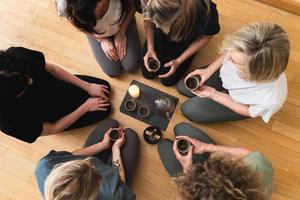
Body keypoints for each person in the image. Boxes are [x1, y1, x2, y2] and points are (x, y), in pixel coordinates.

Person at [177, 22, 290, 123]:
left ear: (253, 73)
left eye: (234, 61)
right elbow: (230, 52)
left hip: (239, 102)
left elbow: (248, 111)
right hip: (227, 80)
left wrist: (215, 95)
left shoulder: (270, 99)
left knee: (190, 109)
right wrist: (209, 70)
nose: (228, 58)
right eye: (230, 52)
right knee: (183, 86)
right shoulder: (247, 47)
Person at [0, 46, 111, 143]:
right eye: (25, 85)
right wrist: (85, 107)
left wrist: (88, 86)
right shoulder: (10, 122)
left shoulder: (15, 57)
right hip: (53, 113)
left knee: (105, 87)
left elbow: (53, 70)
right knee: (105, 109)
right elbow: (54, 127)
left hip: (55, 86)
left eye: (27, 76)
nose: (31, 81)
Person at [158, 122, 273, 200]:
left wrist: (187, 168)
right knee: (181, 128)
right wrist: (208, 147)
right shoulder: (259, 168)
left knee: (163, 145)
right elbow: (249, 155)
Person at [35, 119, 139, 200]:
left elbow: (71, 155)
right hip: (114, 187)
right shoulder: (111, 197)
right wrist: (116, 150)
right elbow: (121, 184)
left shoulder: (44, 166)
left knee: (111, 123)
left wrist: (102, 145)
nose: (92, 162)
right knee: (130, 135)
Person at [137, 0, 220, 86]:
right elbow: (148, 21)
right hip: (169, 29)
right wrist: (150, 48)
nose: (156, 26)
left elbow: (205, 37)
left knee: (168, 81)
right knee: (148, 73)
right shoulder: (148, 3)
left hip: (186, 36)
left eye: (160, 22)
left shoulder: (205, 13)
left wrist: (179, 60)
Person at [56, 0, 140, 77]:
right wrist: (101, 39)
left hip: (122, 22)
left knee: (131, 66)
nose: (100, 14)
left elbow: (132, 7)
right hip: (97, 34)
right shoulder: (64, 4)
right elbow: (75, 23)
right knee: (113, 72)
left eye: (103, 7)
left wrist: (122, 31)